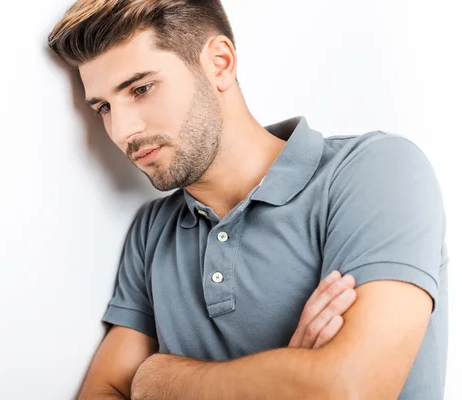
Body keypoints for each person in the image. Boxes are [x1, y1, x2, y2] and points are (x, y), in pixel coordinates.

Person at [47, 1, 449, 399]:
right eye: (103, 107)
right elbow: (105, 391)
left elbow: (347, 387)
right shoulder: (153, 231)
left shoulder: (373, 170)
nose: (121, 131)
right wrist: (288, 380)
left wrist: (158, 378)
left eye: (140, 89)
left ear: (219, 63)